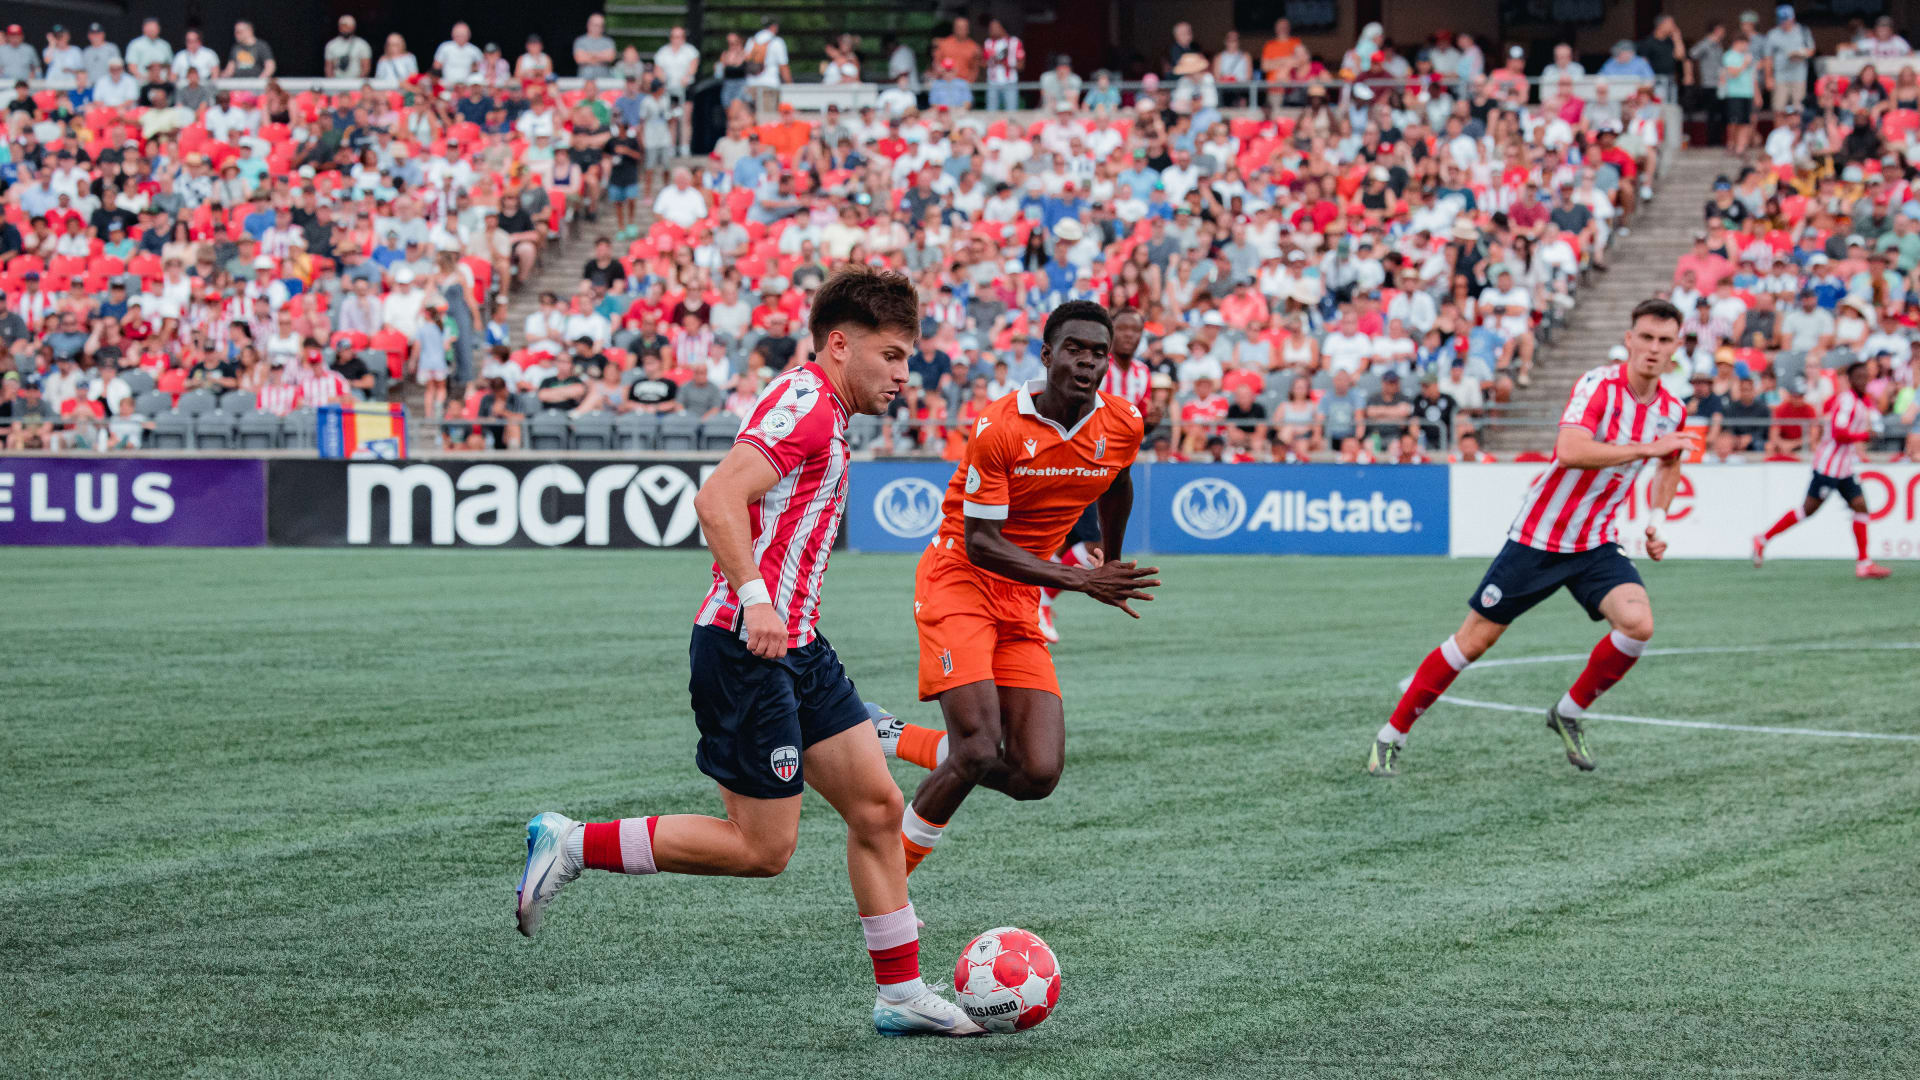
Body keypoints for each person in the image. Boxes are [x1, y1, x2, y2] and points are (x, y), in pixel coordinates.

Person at [515, 266, 983, 1039]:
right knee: (763, 850)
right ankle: (571, 843)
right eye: (893, 355)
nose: (906, 374)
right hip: (747, 645)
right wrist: (758, 599)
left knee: (876, 808)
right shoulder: (807, 408)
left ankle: (900, 994)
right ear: (840, 345)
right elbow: (717, 498)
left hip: (798, 645)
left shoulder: (826, 409)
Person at [870, 300, 1157, 875]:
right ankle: (887, 886)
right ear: (1047, 355)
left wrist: (1114, 558)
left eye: (1098, 353)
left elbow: (1118, 484)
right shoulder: (999, 426)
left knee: (1036, 775)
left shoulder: (1123, 422)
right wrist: (1080, 578)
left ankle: (893, 736)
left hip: (1020, 592)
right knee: (976, 751)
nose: (1087, 362)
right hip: (960, 579)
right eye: (1074, 349)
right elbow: (981, 543)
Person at [1369, 299, 1693, 778]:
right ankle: (1390, 736)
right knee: (1473, 643)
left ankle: (1568, 712)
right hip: (1540, 536)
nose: (1653, 348)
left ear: (1676, 348)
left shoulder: (1672, 409)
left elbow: (1670, 464)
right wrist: (1646, 447)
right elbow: (1569, 450)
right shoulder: (1598, 386)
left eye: (1664, 341)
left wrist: (1658, 520)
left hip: (1596, 542)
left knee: (1637, 625)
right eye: (1645, 337)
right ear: (1629, 339)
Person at [1751, 361, 1892, 578]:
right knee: (1806, 510)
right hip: (1828, 467)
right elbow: (1838, 432)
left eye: (1866, 377)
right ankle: (1762, 539)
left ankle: (1864, 563)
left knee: (1861, 507)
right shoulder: (1846, 401)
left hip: (1843, 468)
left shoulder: (1862, 402)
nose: (1864, 381)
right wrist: (1864, 436)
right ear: (1850, 380)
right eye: (1859, 377)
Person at [574, 13, 616, 79]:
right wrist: (601, 56)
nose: (598, 28)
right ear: (588, 25)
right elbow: (579, 59)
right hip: (585, 80)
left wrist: (589, 55)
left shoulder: (608, 42)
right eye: (596, 25)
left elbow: (610, 57)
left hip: (604, 80)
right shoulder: (580, 41)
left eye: (601, 25)